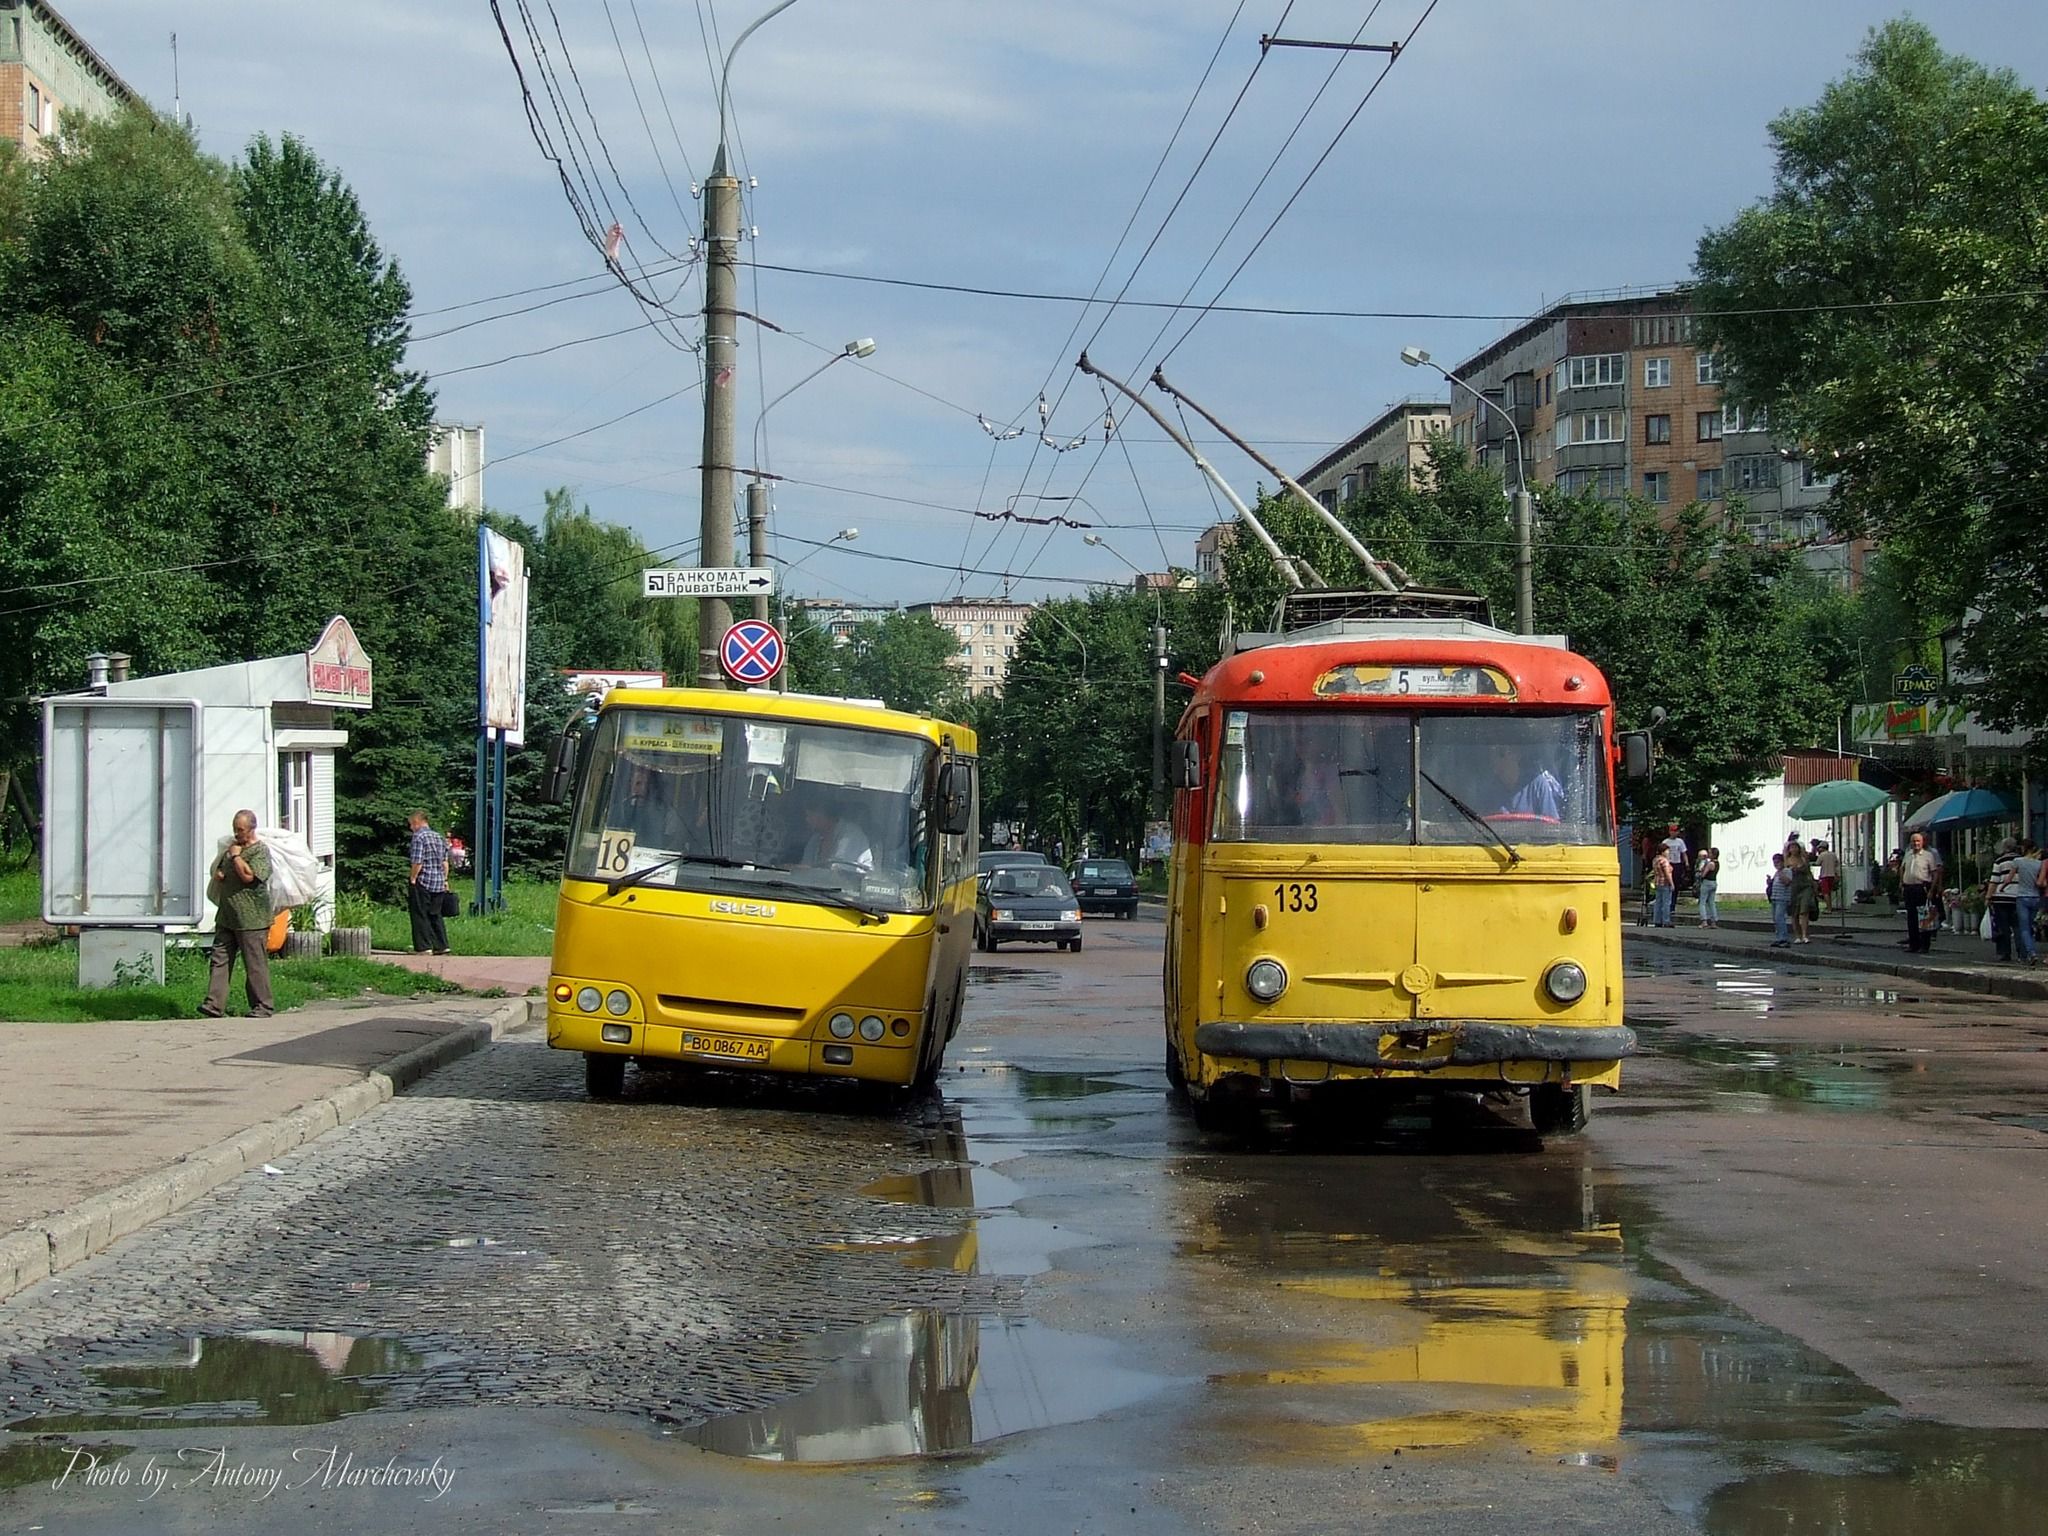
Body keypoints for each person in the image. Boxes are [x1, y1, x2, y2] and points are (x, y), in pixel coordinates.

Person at [201, 809, 275, 1018]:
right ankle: (214, 1004)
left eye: (240, 830)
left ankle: (263, 1005)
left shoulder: (260, 851)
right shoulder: (231, 848)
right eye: (235, 829)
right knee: (219, 959)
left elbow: (249, 877)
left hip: (252, 919)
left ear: (252, 829)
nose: (236, 833)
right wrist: (220, 873)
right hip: (227, 916)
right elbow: (222, 871)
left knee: (255, 965)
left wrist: (235, 857)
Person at [408, 811, 452, 955]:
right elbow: (445, 862)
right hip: (438, 882)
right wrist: (445, 880)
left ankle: (423, 947)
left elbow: (417, 861)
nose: (411, 828)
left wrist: (413, 878)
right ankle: (442, 945)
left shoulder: (419, 837)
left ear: (416, 822)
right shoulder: (439, 837)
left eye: (411, 824)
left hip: (423, 881)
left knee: (420, 914)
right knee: (435, 914)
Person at [800, 800, 873, 874]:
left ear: (823, 816)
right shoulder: (815, 839)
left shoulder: (851, 835)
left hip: (851, 884)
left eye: (810, 816)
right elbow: (805, 868)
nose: (807, 820)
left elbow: (840, 872)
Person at [1899, 832, 1938, 953]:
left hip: (1922, 888)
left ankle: (1924, 945)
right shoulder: (1908, 854)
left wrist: (1932, 890)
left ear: (1922, 843)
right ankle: (1913, 944)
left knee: (1924, 917)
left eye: (1918, 841)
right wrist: (1901, 882)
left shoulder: (1928, 855)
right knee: (1911, 917)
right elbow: (1902, 868)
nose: (1915, 843)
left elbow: (1935, 873)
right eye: (1913, 841)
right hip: (1909, 888)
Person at [1988, 837, 2022, 963]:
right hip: (2018, 897)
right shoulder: (2022, 861)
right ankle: (2021, 952)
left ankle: (2005, 952)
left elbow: (1994, 881)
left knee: (2003, 927)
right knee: (2018, 926)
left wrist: (1988, 896)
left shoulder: (1999, 861)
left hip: (2002, 898)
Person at [2016, 839, 2044, 968]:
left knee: (2024, 928)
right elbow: (2040, 882)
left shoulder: (2018, 862)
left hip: (2022, 896)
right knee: (2031, 926)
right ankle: (2029, 951)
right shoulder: (2039, 864)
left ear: (2023, 848)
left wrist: (2004, 886)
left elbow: (2010, 876)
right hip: (2035, 897)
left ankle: (2031, 952)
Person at [1785, 837, 1817, 945]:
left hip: (1805, 886)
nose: (1793, 849)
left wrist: (1813, 884)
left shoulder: (1803, 859)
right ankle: (1797, 935)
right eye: (1791, 847)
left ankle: (1805, 935)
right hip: (1792, 887)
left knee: (1804, 910)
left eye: (1795, 847)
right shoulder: (1787, 860)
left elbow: (1808, 872)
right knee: (1794, 912)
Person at [1767, 852, 1792, 948]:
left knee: (1780, 918)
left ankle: (1784, 939)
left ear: (1782, 862)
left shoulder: (1786, 871)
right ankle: (1778, 938)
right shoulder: (1776, 873)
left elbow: (1787, 882)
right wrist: (1770, 882)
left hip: (1782, 898)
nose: (1776, 865)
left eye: (1778, 862)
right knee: (1775, 919)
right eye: (1774, 863)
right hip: (1775, 897)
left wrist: (1780, 872)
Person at [1650, 842, 1676, 927]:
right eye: (1667, 851)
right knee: (1666, 903)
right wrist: (1672, 884)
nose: (1668, 852)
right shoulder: (1664, 861)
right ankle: (1666, 921)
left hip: (1657, 882)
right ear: (1663, 852)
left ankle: (1657, 920)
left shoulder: (1655, 860)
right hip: (1665, 883)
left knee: (1658, 902)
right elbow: (1667, 873)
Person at [1695, 846, 1721, 928]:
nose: (1708, 854)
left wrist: (1701, 870)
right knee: (1711, 902)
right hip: (1714, 882)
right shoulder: (1717, 863)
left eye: (1709, 853)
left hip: (1707, 883)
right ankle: (1714, 921)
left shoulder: (1710, 864)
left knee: (1702, 902)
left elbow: (1703, 874)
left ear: (1713, 854)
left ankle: (1704, 921)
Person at [1815, 838, 1840, 911]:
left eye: (1820, 848)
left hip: (1824, 876)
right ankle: (1830, 906)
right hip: (1832, 876)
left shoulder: (1822, 855)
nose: (1819, 849)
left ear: (1822, 848)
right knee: (1829, 892)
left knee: (1825, 892)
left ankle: (1829, 909)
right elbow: (1837, 864)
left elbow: (1817, 863)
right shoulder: (1833, 854)